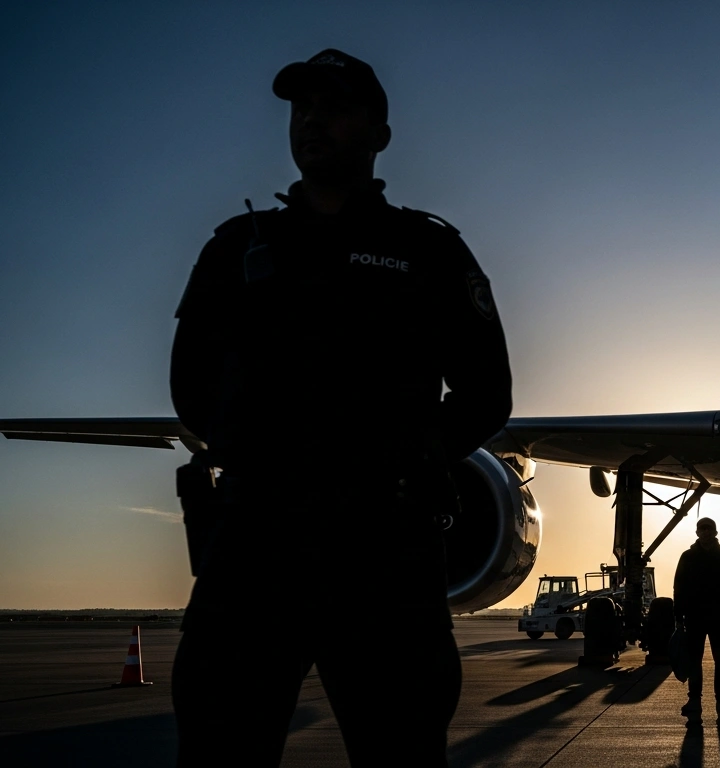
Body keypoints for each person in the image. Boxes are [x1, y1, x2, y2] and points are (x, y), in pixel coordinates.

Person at [169, 49, 512, 767]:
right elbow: (189, 386)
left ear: (380, 134)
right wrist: (273, 455)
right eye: (301, 107)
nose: (311, 120)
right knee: (219, 743)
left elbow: (488, 394)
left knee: (401, 748)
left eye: (334, 106)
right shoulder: (237, 249)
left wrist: (408, 454)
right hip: (256, 550)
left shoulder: (430, 252)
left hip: (384, 554)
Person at [673, 517, 720, 724]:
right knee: (695, 661)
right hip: (694, 618)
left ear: (715, 532)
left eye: (708, 529)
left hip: (718, 617)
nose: (705, 532)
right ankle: (694, 700)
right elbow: (679, 589)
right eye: (702, 529)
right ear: (697, 533)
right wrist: (678, 617)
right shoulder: (687, 557)